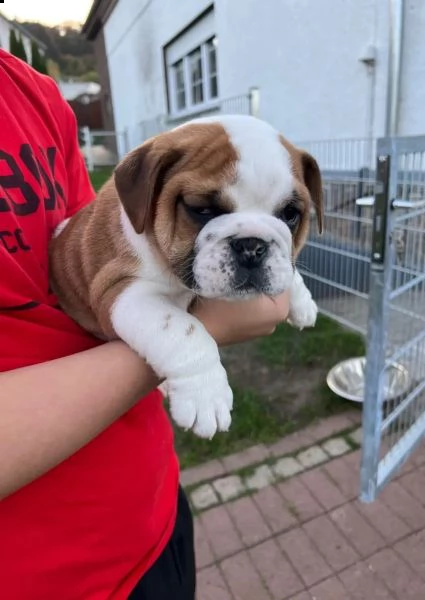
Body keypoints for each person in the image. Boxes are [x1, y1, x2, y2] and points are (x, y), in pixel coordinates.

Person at [0, 48, 291, 600]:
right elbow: (122, 289)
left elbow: (96, 259)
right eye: (205, 208)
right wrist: (198, 343)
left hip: (151, 515)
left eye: (287, 215)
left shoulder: (33, 94)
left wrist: (280, 276)